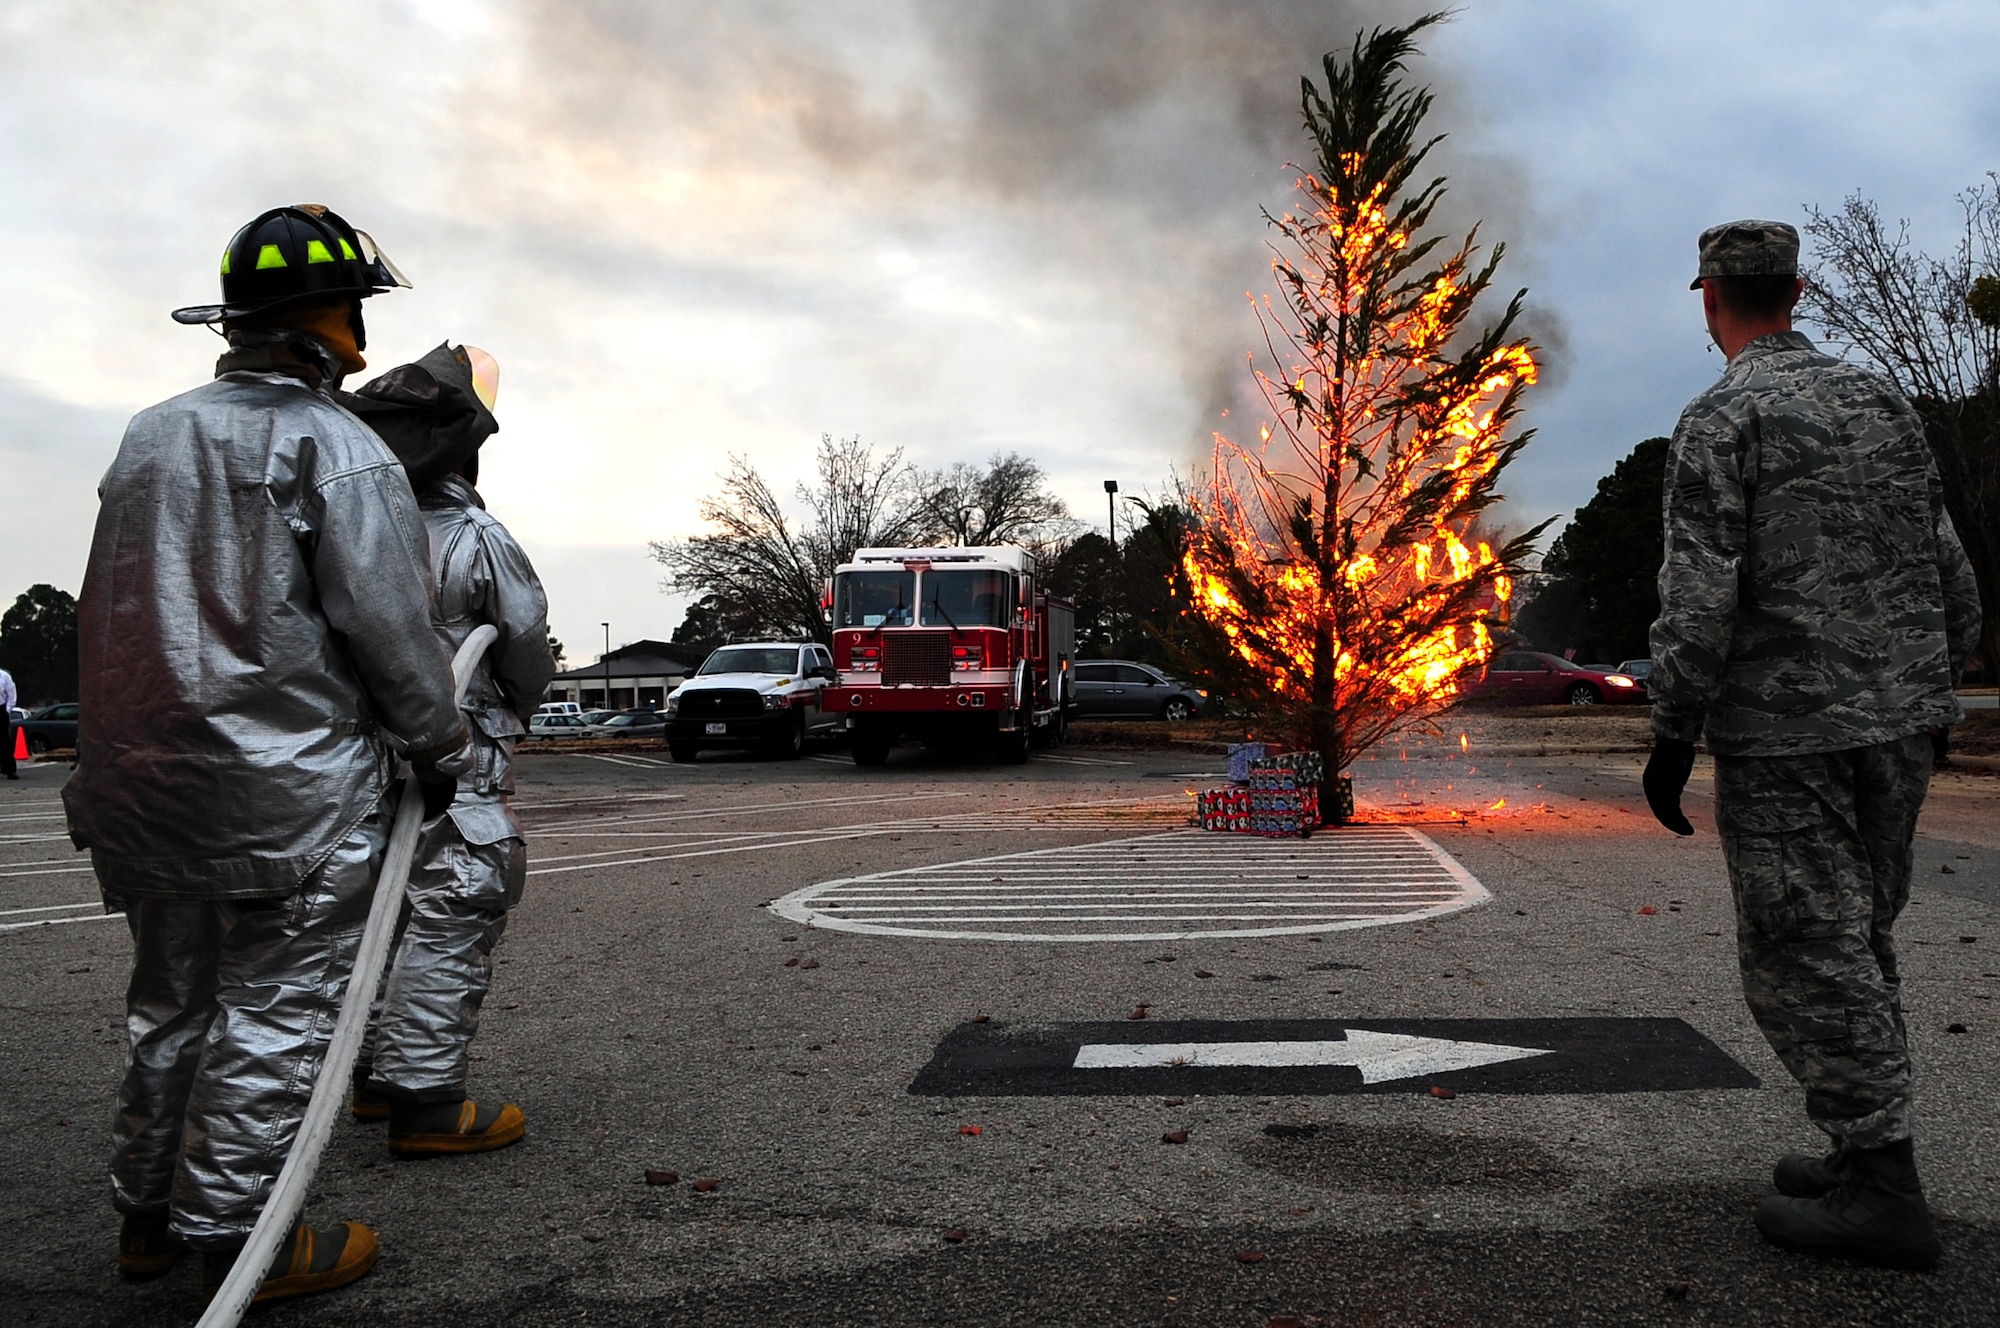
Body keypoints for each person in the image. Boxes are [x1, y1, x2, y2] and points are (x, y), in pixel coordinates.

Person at [64, 204, 468, 1303]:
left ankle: (147, 1216)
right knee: (278, 1006)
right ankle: (239, 1237)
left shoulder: (150, 434)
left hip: (144, 787)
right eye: (353, 310)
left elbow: (111, 611)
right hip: (285, 796)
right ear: (318, 317)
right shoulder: (340, 448)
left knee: (171, 1002)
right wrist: (443, 748)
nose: (364, 338)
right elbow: (391, 629)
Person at [1644, 219, 1983, 1270]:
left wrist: (1671, 726)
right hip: (1899, 719)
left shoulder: (1721, 416)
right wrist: (1936, 681)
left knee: (1804, 948)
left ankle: (1882, 1184)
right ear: (1795, 289)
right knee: (1859, 935)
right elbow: (1944, 558)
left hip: (1789, 730)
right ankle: (1857, 1148)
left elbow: (1699, 590)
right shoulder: (1878, 399)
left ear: (1708, 296)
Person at [336, 342, 555, 1154]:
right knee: (457, 903)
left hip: (359, 760)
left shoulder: (350, 533)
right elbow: (526, 645)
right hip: (459, 751)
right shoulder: (474, 535)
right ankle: (423, 1097)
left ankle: (361, 1075)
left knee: (372, 912)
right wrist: (514, 712)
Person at [0, 665, 17, 779]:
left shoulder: (4, 677)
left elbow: (11, 693)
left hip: (1, 709)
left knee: (4, 741)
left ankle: (9, 770)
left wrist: (8, 709)